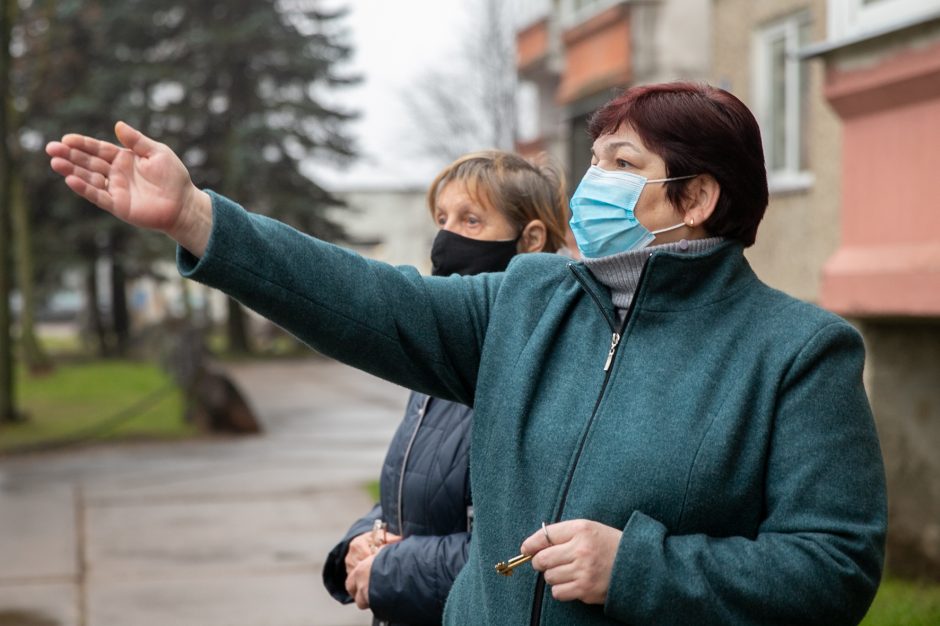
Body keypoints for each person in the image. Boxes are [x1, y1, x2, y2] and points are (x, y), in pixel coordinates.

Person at [46, 81, 886, 626]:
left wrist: (641, 567)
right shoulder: (529, 298)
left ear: (697, 197)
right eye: (593, 161)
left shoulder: (798, 353)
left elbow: (834, 568)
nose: (593, 184)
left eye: (622, 164)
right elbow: (368, 300)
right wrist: (201, 220)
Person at [321, 151, 570, 625]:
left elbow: (521, 547)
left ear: (531, 240)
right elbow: (416, 491)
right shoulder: (444, 351)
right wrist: (362, 540)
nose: (446, 237)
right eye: (442, 218)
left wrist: (392, 570)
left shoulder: (540, 363)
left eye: (471, 220)